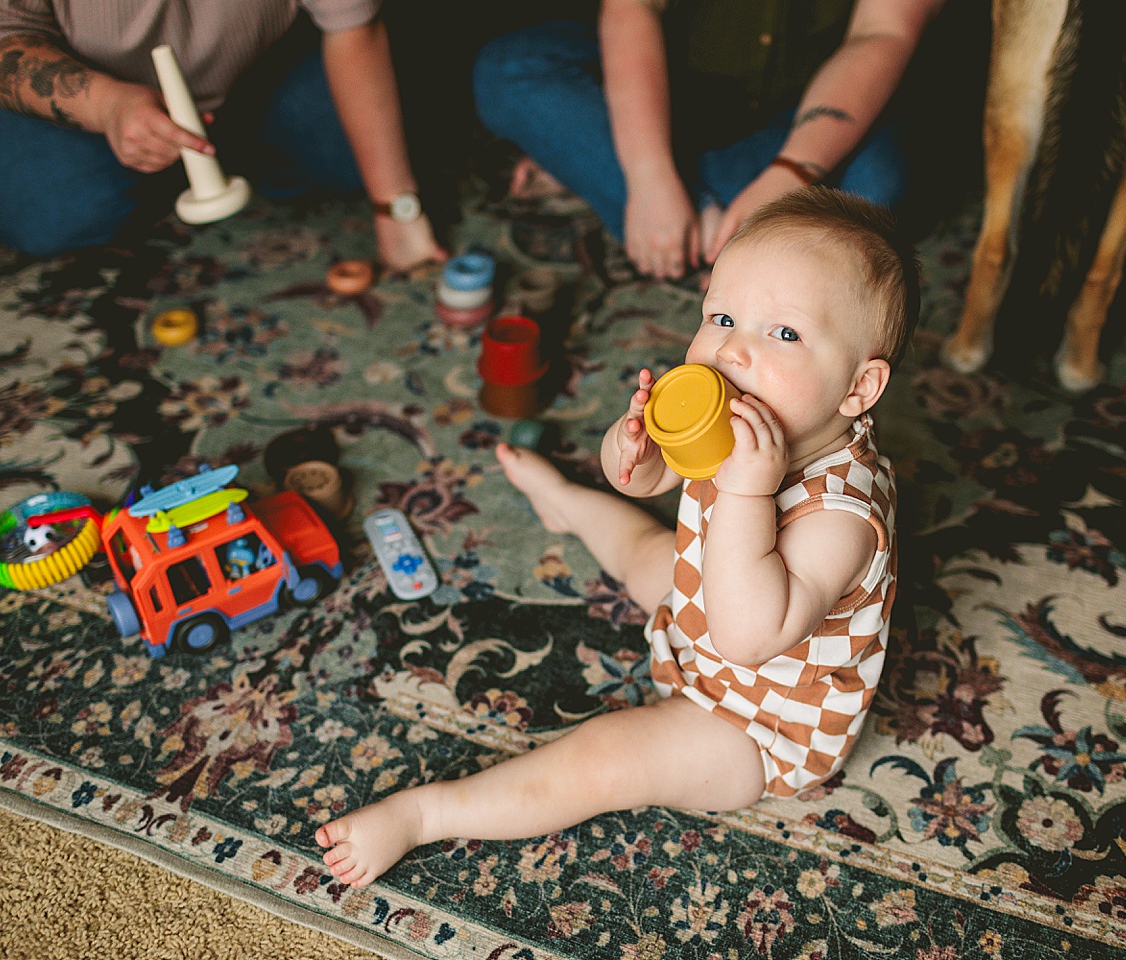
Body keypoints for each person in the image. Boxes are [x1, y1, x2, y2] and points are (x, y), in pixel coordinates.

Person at [316, 186, 919, 888]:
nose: (733, 350)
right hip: (695, 606)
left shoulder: (842, 516)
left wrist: (750, 490)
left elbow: (748, 634)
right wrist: (634, 451)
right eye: (722, 316)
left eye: (782, 333)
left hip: (757, 724)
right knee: (644, 549)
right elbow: (648, 481)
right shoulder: (750, 418)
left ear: (858, 387)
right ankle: (568, 504)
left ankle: (425, 816)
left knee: (607, 757)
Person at [0, 0, 446, 267]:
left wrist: (394, 207)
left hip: (252, 51)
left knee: (363, 150)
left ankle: (216, 129)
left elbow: (353, 27)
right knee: (52, 215)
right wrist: (105, 107)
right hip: (36, 44)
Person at [472, 0, 941, 281]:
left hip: (806, 114)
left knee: (883, 182)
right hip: (670, 89)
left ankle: (656, 203)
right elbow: (633, 6)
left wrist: (792, 173)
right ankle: (717, 222)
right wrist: (649, 173)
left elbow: (884, 32)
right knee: (509, 71)